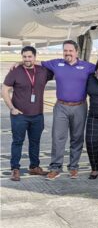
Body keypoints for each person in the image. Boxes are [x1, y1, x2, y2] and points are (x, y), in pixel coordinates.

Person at [41, 40, 96, 180]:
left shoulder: (87, 66)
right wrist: (18, 64)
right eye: (65, 50)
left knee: (77, 138)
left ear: (76, 52)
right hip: (61, 107)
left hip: (80, 107)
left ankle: (73, 167)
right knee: (58, 137)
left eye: (70, 50)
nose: (67, 53)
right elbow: (35, 64)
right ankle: (55, 167)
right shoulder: (56, 63)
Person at [2, 46, 53, 181]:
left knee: (35, 142)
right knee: (17, 142)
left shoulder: (43, 71)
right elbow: (4, 90)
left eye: (30, 56)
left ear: (35, 57)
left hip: (37, 115)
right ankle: (15, 169)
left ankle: (34, 167)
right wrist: (12, 108)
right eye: (24, 57)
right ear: (22, 57)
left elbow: (57, 69)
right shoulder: (15, 71)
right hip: (20, 116)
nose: (27, 59)